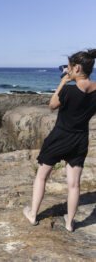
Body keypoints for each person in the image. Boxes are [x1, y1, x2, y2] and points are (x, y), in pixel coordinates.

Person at [23, 48, 96, 232]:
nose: (68, 70)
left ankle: (33, 215)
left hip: (60, 137)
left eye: (70, 68)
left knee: (41, 176)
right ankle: (70, 223)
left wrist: (64, 80)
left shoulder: (69, 90)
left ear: (77, 68)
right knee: (74, 184)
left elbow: (52, 105)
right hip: (80, 139)